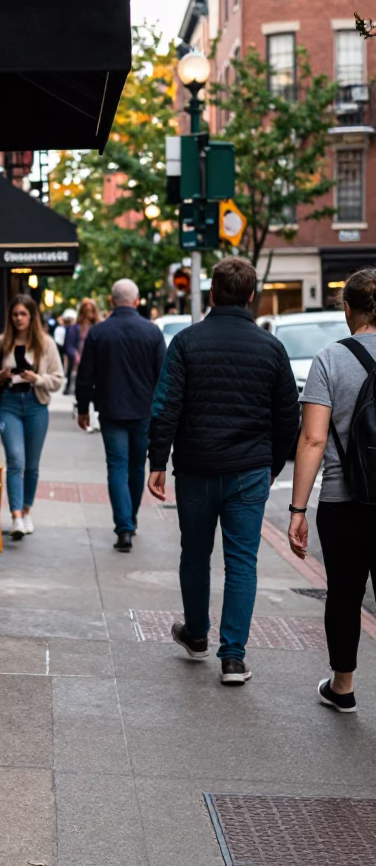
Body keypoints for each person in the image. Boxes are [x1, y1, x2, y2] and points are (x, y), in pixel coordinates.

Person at [147, 257, 299, 685]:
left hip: (196, 468)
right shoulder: (270, 347)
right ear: (252, 296)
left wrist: (158, 460)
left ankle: (196, 635)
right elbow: (288, 416)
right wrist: (271, 465)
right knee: (242, 563)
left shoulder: (187, 342)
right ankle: (233, 657)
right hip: (249, 469)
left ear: (212, 293)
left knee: (194, 554)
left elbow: (165, 407)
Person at [288, 268, 376, 714]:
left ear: (348, 308)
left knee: (344, 593)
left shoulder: (329, 358)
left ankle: (343, 686)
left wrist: (297, 509)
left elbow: (313, 440)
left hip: (346, 500)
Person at [76, 279, 165, 552]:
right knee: (137, 468)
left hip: (111, 410)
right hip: (143, 412)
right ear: (137, 301)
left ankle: (123, 527)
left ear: (112, 300)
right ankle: (131, 519)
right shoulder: (152, 333)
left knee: (116, 467)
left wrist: (83, 408)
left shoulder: (99, 333)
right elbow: (163, 377)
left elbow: (85, 375)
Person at [0, 294, 63, 539]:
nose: (18, 318)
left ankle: (27, 509)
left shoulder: (45, 344)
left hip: (35, 404)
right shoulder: (2, 342)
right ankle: (16, 515)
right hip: (9, 403)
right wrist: (0, 376)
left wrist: (36, 378)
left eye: (23, 314)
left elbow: (58, 379)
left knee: (32, 465)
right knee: (15, 460)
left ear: (32, 317)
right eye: (15, 313)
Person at [64, 299, 101, 394]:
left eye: (90, 311)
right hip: (78, 361)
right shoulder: (75, 327)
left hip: (94, 361)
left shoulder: (98, 327)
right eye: (86, 312)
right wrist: (76, 356)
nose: (88, 315)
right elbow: (69, 345)